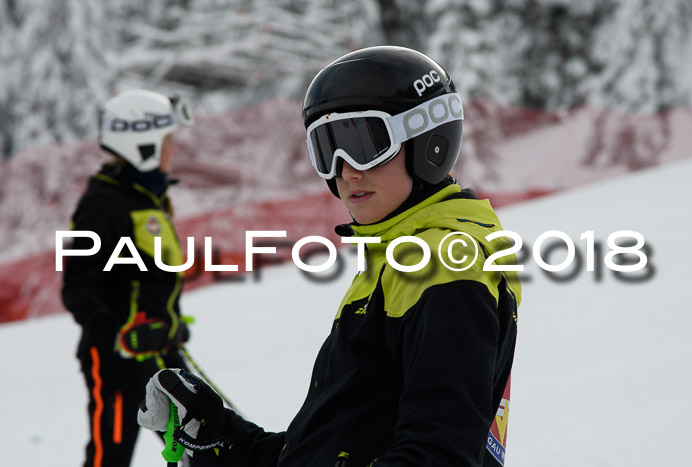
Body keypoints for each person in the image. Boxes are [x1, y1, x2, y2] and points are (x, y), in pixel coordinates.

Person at [137, 46, 521, 467]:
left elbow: (437, 452)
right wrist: (220, 436)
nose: (346, 171)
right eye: (327, 149)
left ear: (428, 140)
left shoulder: (444, 266)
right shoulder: (397, 265)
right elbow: (328, 449)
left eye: (365, 144)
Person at [62, 89, 194, 467]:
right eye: (168, 142)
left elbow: (147, 277)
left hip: (157, 348)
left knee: (198, 440)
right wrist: (118, 335)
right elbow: (77, 286)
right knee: (112, 454)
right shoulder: (104, 204)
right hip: (116, 359)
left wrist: (169, 325)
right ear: (144, 145)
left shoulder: (146, 197)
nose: (175, 151)